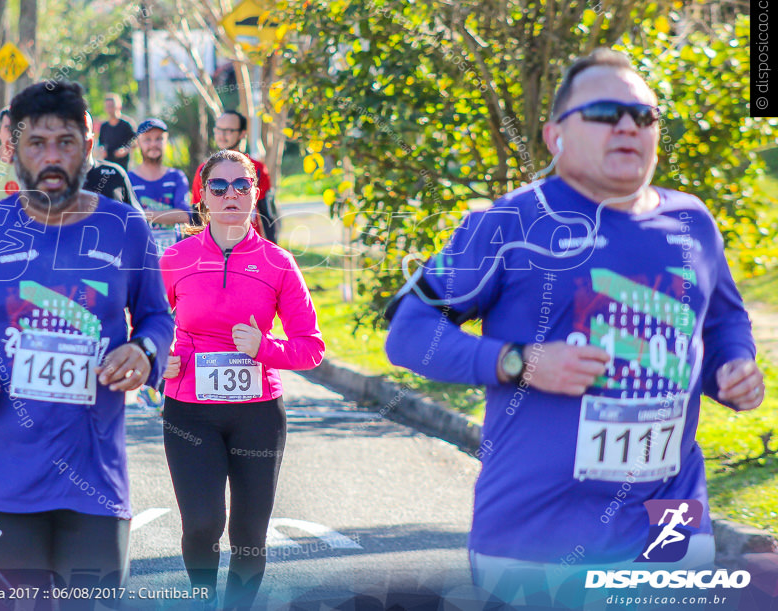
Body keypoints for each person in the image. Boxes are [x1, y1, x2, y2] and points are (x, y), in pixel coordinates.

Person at [385, 48, 765, 608]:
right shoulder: (509, 223)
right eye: (608, 112)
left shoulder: (691, 221)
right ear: (554, 135)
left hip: (671, 523)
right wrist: (519, 361)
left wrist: (733, 368)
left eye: (645, 116)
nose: (630, 127)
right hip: (537, 537)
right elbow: (410, 333)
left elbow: (722, 319)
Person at [0, 80, 174, 602]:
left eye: (66, 142)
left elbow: (156, 318)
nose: (51, 157)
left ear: (90, 139)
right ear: (14, 148)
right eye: (37, 143)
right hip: (1, 478)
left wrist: (145, 352)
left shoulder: (125, 227)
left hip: (95, 477)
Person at [159, 150, 325, 608]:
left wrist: (264, 349)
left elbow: (311, 348)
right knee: (202, 524)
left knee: (249, 534)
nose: (231, 194)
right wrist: (158, 362)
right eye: (219, 186)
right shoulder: (175, 259)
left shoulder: (278, 263)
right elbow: (144, 328)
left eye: (242, 185)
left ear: (255, 194)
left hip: (258, 415)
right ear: (203, 196)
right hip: (189, 413)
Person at [191, 110, 277, 242]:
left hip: (249, 245)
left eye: (229, 130)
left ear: (242, 134)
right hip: (214, 246)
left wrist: (272, 250)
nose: (222, 135)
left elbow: (268, 214)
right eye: (218, 129)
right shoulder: (203, 170)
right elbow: (197, 215)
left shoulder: (257, 169)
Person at [128, 118, 191, 255]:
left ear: (166, 141)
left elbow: (185, 215)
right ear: (138, 143)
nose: (153, 144)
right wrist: (169, 215)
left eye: (159, 139)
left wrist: (143, 214)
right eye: (147, 139)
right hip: (139, 259)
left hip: (172, 258)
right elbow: (126, 220)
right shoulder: (128, 180)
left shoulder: (176, 177)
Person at [81, 111, 141, 210]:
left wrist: (125, 149)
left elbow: (137, 218)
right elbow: (101, 143)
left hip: (120, 164)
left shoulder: (115, 173)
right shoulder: (51, 180)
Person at [98, 93, 136, 170]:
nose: (110, 109)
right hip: (108, 167)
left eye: (112, 106)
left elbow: (135, 142)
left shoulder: (127, 124)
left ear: (119, 106)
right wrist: (102, 150)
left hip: (123, 167)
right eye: (108, 107)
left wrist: (125, 150)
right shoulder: (104, 126)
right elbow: (101, 143)